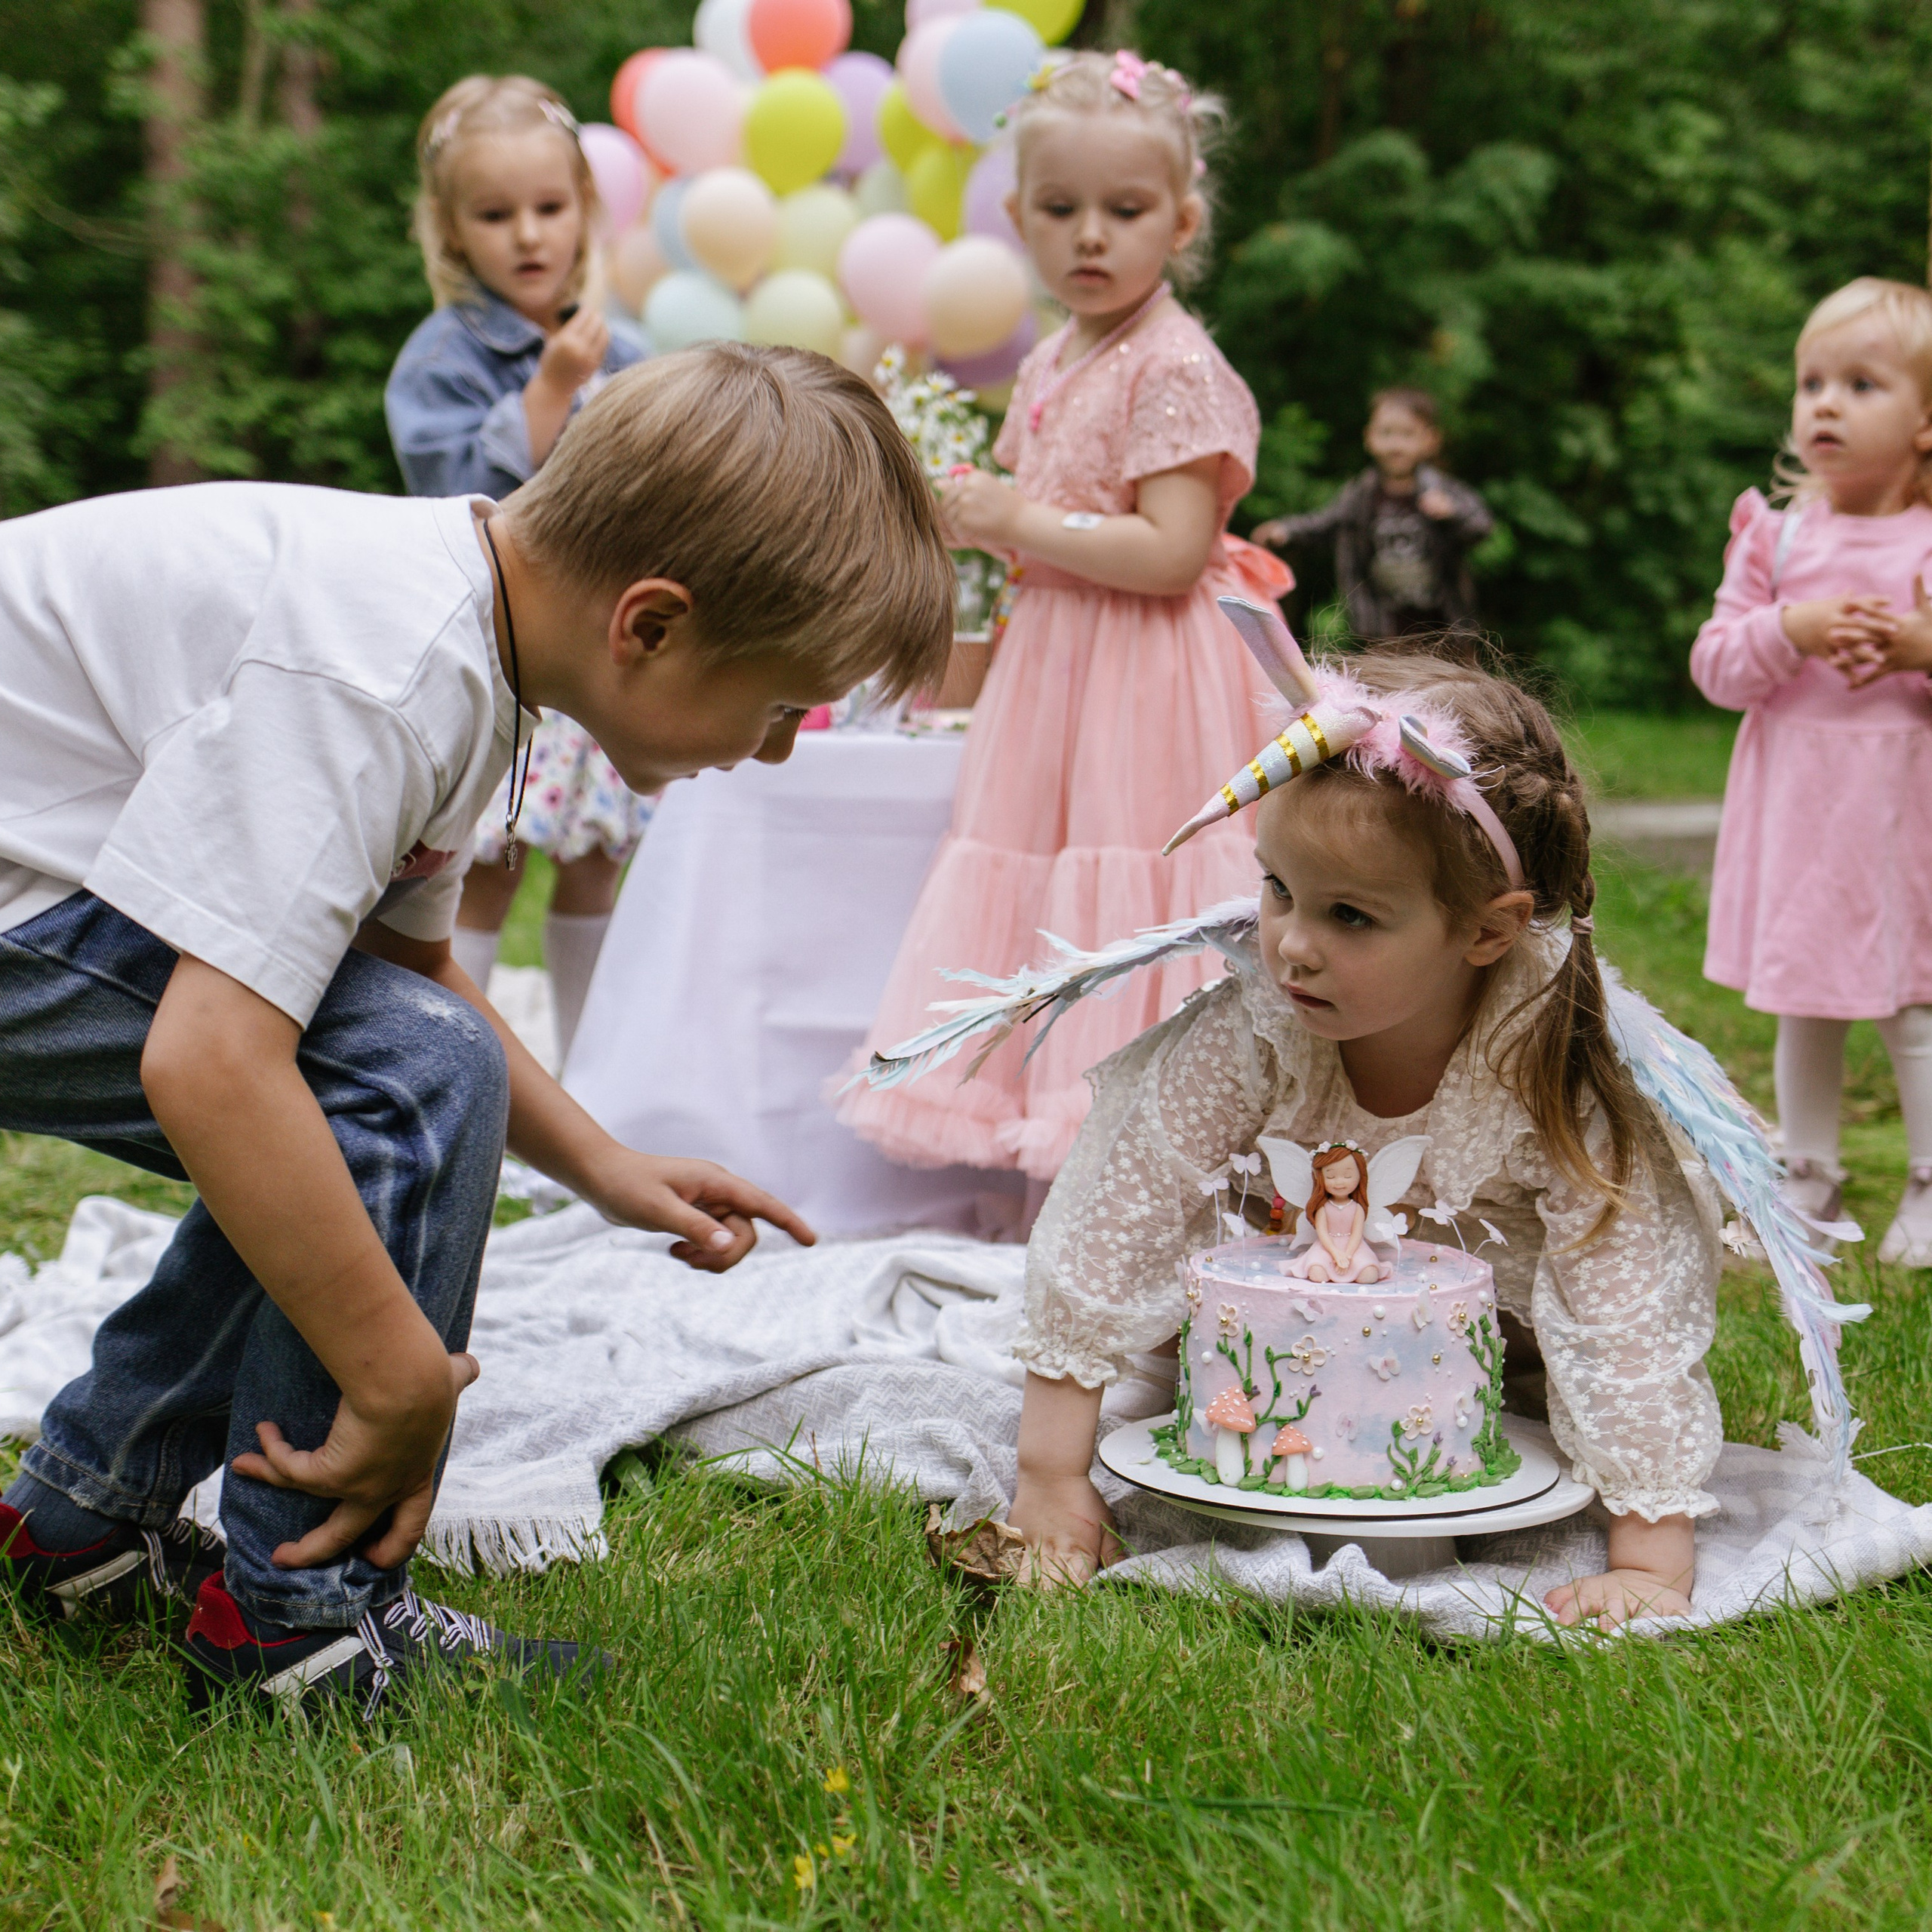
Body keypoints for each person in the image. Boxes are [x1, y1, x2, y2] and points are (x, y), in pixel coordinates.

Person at [0, 344, 954, 1715]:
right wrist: (395, 1370)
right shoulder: (381, 669)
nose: (779, 747)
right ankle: (301, 1629)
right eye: (783, 702)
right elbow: (212, 1061)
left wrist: (605, 1166)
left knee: (402, 1063)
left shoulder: (469, 631)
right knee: (399, 1080)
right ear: (651, 624)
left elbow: (404, 968)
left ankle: (85, 1520)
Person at [1008, 647, 1725, 1628]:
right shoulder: (1259, 1025)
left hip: (1489, 1379)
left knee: (1554, 1375)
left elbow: (1625, 1307)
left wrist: (1649, 1553)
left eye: (1350, 915)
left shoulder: (1545, 1061)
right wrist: (1050, 1473)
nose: (1293, 945)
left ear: (1488, 932)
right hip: (1275, 1353)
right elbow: (1121, 1210)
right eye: (1278, 888)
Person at [837, 48, 1290, 1190]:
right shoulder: (1054, 356)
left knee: (1125, 877)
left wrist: (1020, 519)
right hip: (1058, 661)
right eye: (1060, 208)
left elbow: (1172, 552)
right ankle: (1044, 1158)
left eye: (1125, 211)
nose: (1091, 236)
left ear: (1181, 222)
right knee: (1037, 875)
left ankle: (1140, 1160)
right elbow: (1046, 530)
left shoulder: (1173, 365)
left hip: (1143, 669)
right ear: (1017, 218)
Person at [385, 75, 651, 1060]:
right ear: (453, 234)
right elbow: (450, 497)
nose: (529, 235)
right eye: (495, 216)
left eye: (549, 207)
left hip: (604, 650)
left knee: (594, 858)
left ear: (585, 210)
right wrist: (548, 392)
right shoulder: (442, 359)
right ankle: (447, 1064)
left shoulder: (627, 347)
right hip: (496, 653)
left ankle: (590, 1076)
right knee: (481, 863)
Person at [1692, 276, 1932, 1266]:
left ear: (1925, 423)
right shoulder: (1778, 539)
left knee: (1913, 1000)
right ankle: (1808, 1176)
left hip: (1904, 814)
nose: (1826, 403)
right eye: (1812, 382)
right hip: (1800, 812)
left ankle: (1928, 1182)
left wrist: (1918, 647)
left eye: (1862, 385)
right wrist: (1788, 627)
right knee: (1807, 995)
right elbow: (1717, 668)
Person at [1252, 387, 1492, 641]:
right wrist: (1286, 530)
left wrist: (1452, 513)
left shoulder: (1443, 491)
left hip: (1445, 629)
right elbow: (1325, 523)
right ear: (1369, 437)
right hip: (1382, 631)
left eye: (1408, 434)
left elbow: (1481, 525)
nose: (1396, 445)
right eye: (1386, 433)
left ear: (1430, 440)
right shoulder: (1360, 495)